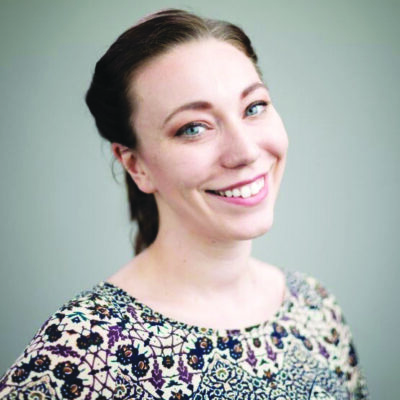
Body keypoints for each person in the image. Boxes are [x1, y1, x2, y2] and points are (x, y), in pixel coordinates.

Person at [0, 8, 369, 400]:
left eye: (254, 107)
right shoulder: (79, 352)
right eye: (193, 128)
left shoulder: (316, 309)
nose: (244, 151)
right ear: (136, 165)